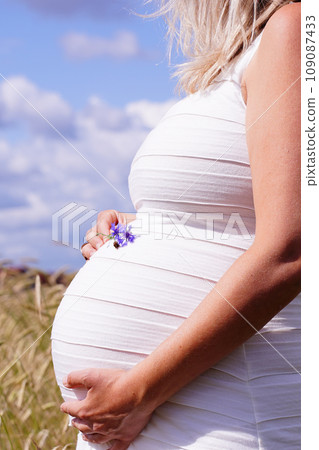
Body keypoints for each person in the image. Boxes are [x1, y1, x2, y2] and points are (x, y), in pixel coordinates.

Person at [51, 1, 301, 449]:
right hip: (170, 408)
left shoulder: (296, 28)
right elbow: (241, 214)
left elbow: (294, 247)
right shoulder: (246, 53)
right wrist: (144, 229)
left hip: (230, 409)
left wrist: (140, 391)